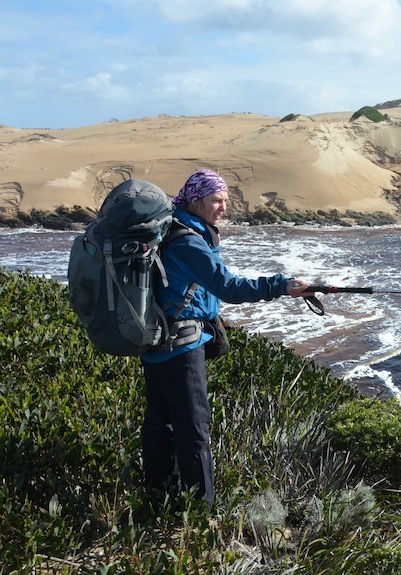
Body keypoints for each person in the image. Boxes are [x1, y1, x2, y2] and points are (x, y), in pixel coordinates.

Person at [140, 169, 309, 508]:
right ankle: (202, 513)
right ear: (197, 199)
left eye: (225, 201)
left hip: (154, 344)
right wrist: (280, 285)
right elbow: (227, 286)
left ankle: (159, 498)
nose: (223, 208)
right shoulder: (188, 241)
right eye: (217, 200)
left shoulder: (172, 231)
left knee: (161, 424)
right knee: (194, 428)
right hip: (181, 347)